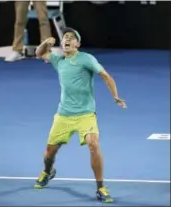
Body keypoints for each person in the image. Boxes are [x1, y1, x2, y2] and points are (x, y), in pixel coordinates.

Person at [34, 27, 127, 203]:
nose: (67, 39)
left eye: (71, 37)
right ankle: (48, 171)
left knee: (93, 144)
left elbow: (105, 75)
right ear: (62, 44)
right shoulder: (58, 60)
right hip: (63, 114)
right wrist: (46, 42)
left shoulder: (86, 59)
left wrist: (115, 96)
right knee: (49, 153)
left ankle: (100, 187)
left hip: (86, 114)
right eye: (65, 38)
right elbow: (39, 53)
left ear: (78, 44)